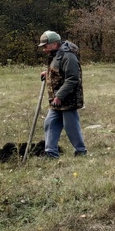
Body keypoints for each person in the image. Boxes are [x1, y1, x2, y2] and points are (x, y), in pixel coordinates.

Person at [38, 30, 87, 158]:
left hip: (67, 98)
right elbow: (58, 70)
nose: (44, 49)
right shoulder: (56, 54)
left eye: (45, 46)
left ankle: (81, 151)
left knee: (71, 126)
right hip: (57, 98)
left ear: (54, 44)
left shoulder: (68, 56)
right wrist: (47, 73)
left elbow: (72, 78)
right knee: (50, 123)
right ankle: (51, 152)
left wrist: (60, 96)